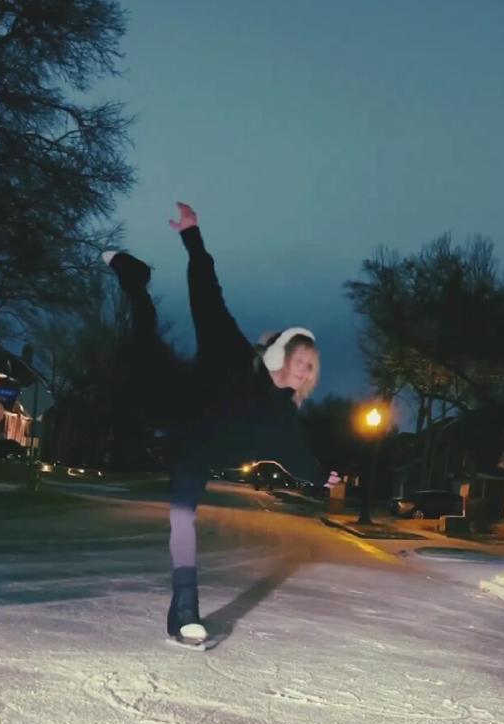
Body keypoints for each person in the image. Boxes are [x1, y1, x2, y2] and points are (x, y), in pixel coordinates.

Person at [105, 202, 338, 647]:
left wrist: (319, 474)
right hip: (179, 408)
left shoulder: (282, 415)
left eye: (313, 369)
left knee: (182, 511)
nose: (305, 373)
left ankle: (182, 614)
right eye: (302, 362)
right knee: (141, 343)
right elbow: (207, 294)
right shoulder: (232, 352)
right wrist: (193, 237)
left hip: (198, 447)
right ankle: (134, 278)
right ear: (281, 354)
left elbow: (297, 456)